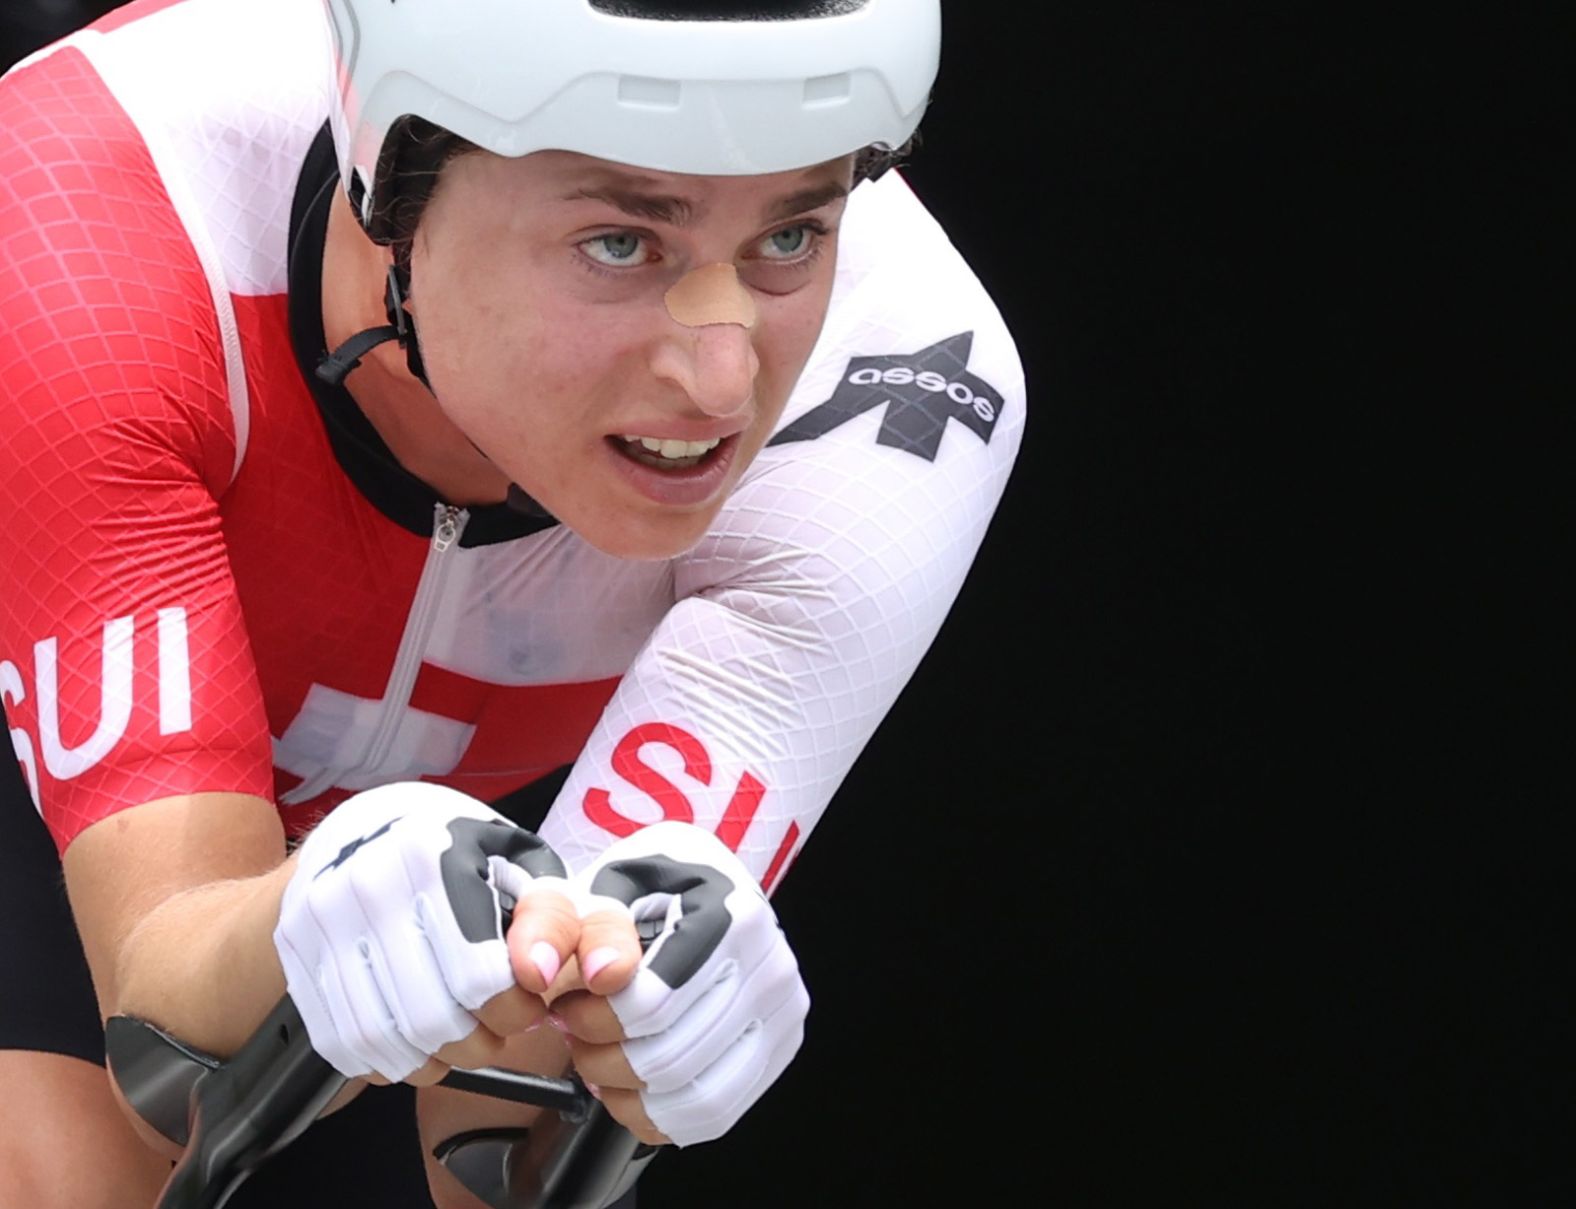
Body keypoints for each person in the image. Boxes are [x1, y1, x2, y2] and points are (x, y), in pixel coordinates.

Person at [0, 0, 1024, 1205]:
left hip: (483, 800)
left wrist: (636, 1050)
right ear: (393, 190)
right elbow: (168, 1029)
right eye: (619, 245)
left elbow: (505, 1123)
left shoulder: (902, 378)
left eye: (793, 236)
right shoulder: (71, 225)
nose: (722, 375)